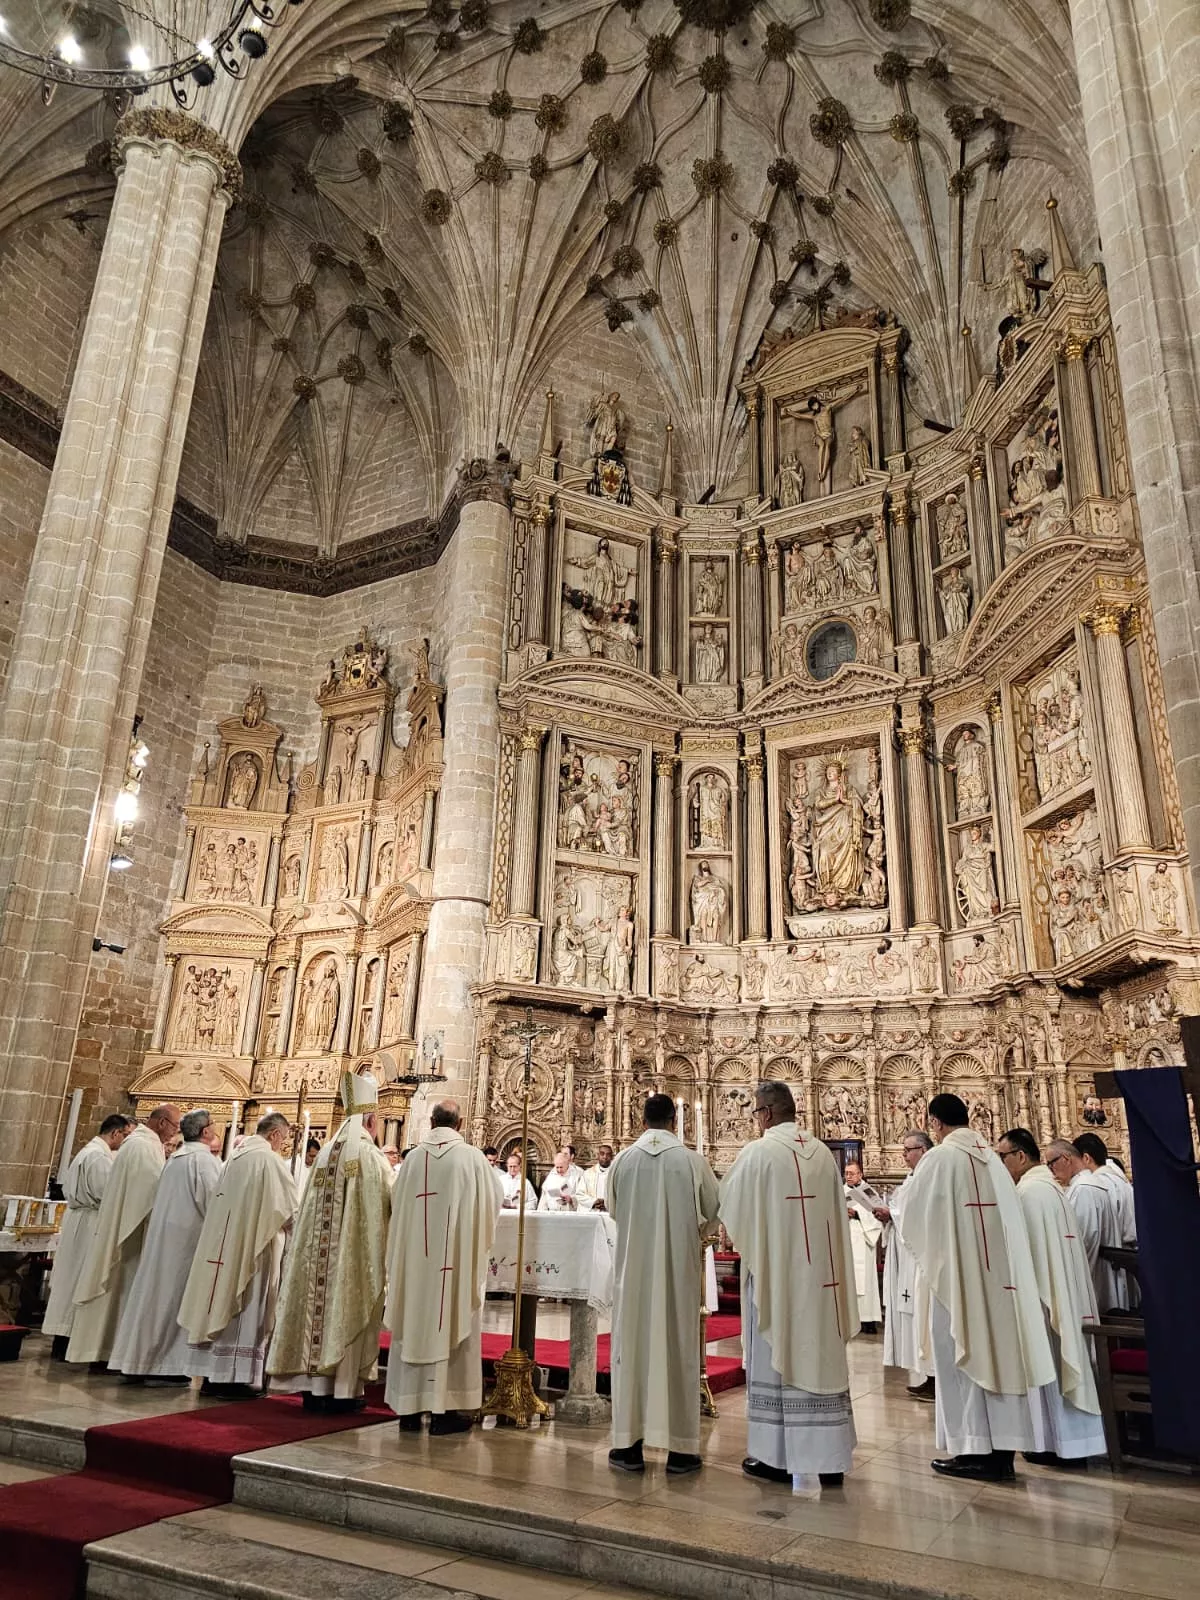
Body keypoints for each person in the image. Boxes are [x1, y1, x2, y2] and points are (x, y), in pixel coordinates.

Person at [901, 1094, 1055, 1480]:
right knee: (1001, 1358)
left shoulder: (939, 1158)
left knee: (960, 1358)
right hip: (1002, 1283)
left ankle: (973, 1448)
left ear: (934, 1122)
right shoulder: (993, 1159)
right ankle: (1002, 1451)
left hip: (958, 1282)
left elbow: (914, 1222)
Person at [720, 1083, 858, 1489]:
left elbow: (728, 1205)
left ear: (764, 1114)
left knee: (777, 1357)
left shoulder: (759, 1152)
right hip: (822, 1283)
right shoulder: (821, 1153)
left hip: (778, 1280)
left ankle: (776, 1458)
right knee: (822, 1357)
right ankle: (830, 1460)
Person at [607, 1093, 719, 1476]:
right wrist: (692, 1235)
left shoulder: (623, 1161)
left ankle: (628, 1446)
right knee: (678, 1349)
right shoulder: (691, 1161)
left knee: (632, 1351)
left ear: (643, 1121)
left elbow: (613, 1209)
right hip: (677, 1273)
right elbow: (713, 1213)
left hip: (633, 1271)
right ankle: (682, 1451)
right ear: (674, 1121)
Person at [269, 1072, 393, 1412]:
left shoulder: (324, 1155)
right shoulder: (370, 1157)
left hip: (316, 1260)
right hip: (351, 1259)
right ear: (370, 1119)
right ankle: (342, 1392)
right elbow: (388, 1202)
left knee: (317, 1312)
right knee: (344, 1308)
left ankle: (315, 1389)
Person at [384, 1099, 503, 1433]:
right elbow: (493, 1203)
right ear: (460, 1123)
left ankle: (409, 1408)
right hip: (454, 1263)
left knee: (415, 1319)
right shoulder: (471, 1158)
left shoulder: (411, 1160)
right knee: (450, 1317)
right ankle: (444, 1410)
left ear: (432, 1122)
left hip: (415, 1265)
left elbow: (395, 1206)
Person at [996, 1128, 1105, 1466]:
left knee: (1053, 1366)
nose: (1000, 1163)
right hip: (1062, 1293)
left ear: (1021, 1156)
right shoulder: (1050, 1189)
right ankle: (1069, 1444)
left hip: (1045, 1301)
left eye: (1003, 1156)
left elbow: (1024, 1257)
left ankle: (1059, 1446)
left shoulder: (1030, 1194)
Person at [178, 1111, 296, 1395]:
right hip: (252, 1247)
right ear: (276, 1134)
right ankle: (235, 1377)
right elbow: (290, 1210)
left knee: (221, 1300)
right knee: (246, 1303)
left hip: (225, 1243)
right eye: (285, 1139)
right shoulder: (267, 1159)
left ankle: (212, 1374)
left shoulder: (236, 1157)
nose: (283, 1145)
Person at [107, 1109, 222, 1381]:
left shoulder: (177, 1158)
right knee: (172, 1302)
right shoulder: (202, 1161)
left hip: (165, 1240)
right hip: (186, 1245)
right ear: (205, 1131)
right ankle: (165, 1366)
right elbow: (214, 1204)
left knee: (152, 1300)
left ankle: (137, 1362)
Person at [66, 1104, 180, 1367]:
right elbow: (148, 1193)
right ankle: (106, 1352)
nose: (176, 1133)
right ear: (162, 1123)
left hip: (125, 1225)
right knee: (118, 1292)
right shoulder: (142, 1146)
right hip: (130, 1233)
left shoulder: (142, 1143)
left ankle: (106, 1351)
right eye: (175, 1126)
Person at [43, 1114, 131, 1359]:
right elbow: (107, 1194)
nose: (124, 1142)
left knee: (70, 1280)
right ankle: (68, 1340)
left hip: (77, 1221)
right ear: (115, 1133)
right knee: (80, 1278)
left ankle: (62, 1339)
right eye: (125, 1136)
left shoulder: (87, 1152)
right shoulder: (99, 1157)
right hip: (90, 1222)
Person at [877, 1130, 935, 1398]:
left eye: (907, 1150)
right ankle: (927, 1373)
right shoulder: (913, 1178)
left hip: (921, 1260)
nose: (903, 1155)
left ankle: (934, 1376)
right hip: (907, 1256)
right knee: (917, 1319)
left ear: (922, 1150)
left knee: (925, 1318)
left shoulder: (928, 1176)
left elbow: (922, 1214)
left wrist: (893, 1214)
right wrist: (889, 1217)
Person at [1046, 1139, 1124, 1311]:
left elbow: (1083, 1241)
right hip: (1100, 1276)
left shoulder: (1084, 1189)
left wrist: (1072, 1283)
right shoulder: (1087, 1185)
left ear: (1066, 1159)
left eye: (1051, 1163)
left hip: (1093, 1280)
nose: (1051, 1170)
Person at [1074, 1132, 1136, 1244]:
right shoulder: (1122, 1181)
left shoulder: (1097, 1185)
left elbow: (1092, 1232)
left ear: (1086, 1158)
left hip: (1114, 1253)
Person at [843, 1160, 883, 1331]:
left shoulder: (868, 1192)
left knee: (865, 1281)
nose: (849, 1176)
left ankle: (867, 1321)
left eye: (852, 1173)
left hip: (864, 1240)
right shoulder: (840, 1192)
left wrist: (858, 1214)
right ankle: (850, 1321)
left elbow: (879, 1214)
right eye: (846, 1173)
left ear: (860, 1174)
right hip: (846, 1241)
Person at [537, 1146, 579, 1211]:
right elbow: (544, 1196)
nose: (559, 1170)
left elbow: (582, 1195)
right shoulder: (552, 1175)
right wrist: (541, 1212)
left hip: (570, 1214)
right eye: (557, 1167)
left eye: (561, 1167)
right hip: (553, 1213)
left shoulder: (576, 1175)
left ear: (567, 1164)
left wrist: (571, 1199)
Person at [577, 1143, 615, 1211]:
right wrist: (594, 1202)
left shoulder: (616, 1174)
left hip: (609, 1213)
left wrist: (608, 1204)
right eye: (602, 1154)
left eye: (608, 1154)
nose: (605, 1157)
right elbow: (579, 1194)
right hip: (592, 1213)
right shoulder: (587, 1174)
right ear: (598, 1155)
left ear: (612, 1157)